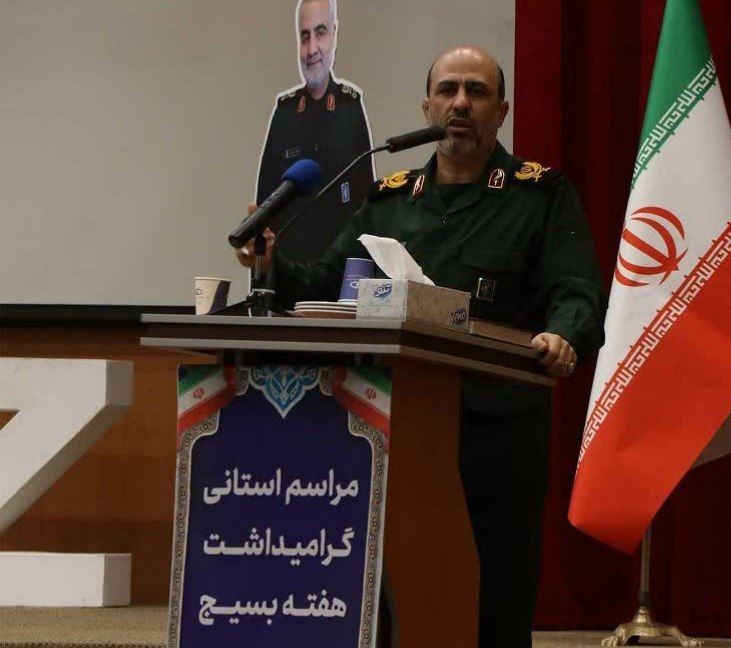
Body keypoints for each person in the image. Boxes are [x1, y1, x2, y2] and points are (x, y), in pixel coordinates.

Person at [238, 46, 605, 648]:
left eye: (477, 92)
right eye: (448, 90)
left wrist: (564, 333)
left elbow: (576, 289)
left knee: (494, 593)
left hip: (496, 427)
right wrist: (271, 263)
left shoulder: (539, 195)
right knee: (394, 591)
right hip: (396, 424)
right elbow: (323, 283)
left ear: (502, 111)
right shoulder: (389, 200)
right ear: (427, 106)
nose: (460, 103)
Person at [242, 0, 375, 265]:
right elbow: (264, 212)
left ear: (334, 34)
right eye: (305, 37)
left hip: (337, 272)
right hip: (288, 272)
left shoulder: (350, 107)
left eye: (320, 32)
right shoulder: (285, 112)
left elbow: (366, 209)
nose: (312, 49)